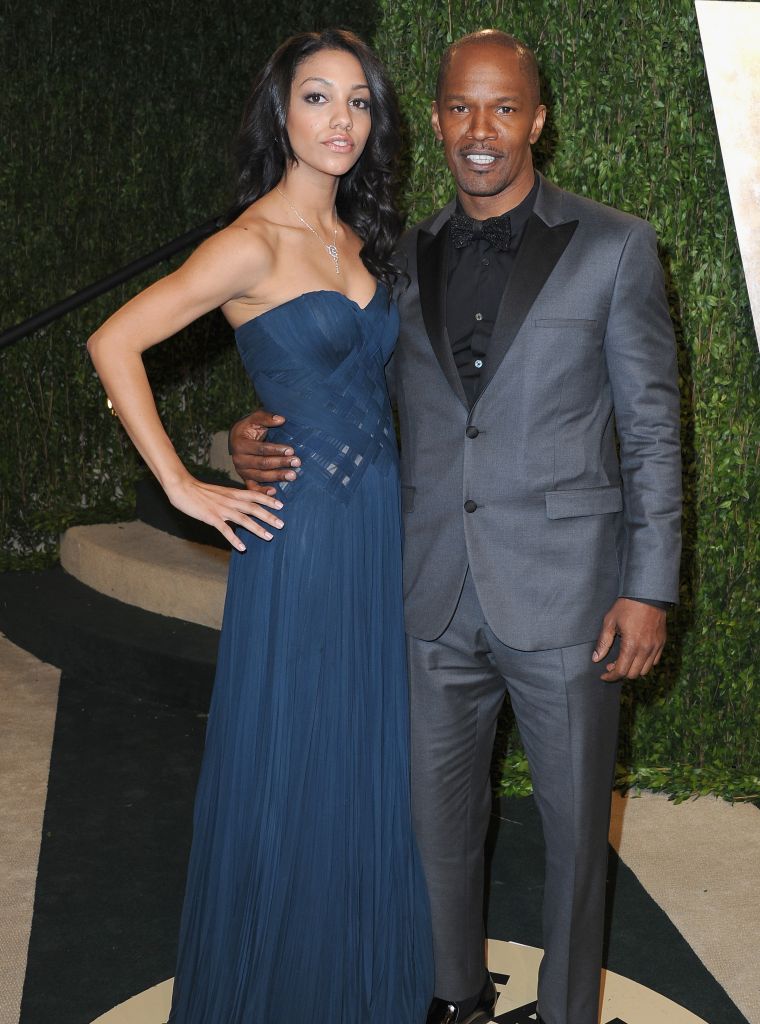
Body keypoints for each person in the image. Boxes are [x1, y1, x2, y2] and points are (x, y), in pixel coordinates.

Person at [229, 29, 682, 1024]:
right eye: (460, 109)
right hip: (427, 590)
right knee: (436, 824)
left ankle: (566, 1012)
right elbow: (336, 384)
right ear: (434, 120)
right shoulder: (396, 257)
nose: (481, 130)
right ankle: (453, 998)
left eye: (503, 108)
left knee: (572, 837)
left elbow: (652, 432)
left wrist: (647, 586)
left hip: (568, 595)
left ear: (537, 119)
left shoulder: (614, 246)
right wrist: (243, 433)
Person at [87, 28, 433, 1024]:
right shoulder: (250, 241)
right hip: (303, 534)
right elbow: (115, 342)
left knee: (361, 761)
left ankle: (354, 986)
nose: (341, 120)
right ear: (281, 112)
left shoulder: (361, 241)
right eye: (318, 98)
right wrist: (186, 487)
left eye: (359, 101)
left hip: (374, 528)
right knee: (294, 754)